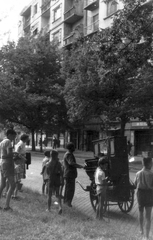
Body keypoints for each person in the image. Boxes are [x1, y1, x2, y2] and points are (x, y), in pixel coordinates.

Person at [134, 157, 153, 240]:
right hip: (149, 194)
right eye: (151, 163)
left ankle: (141, 229)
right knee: (148, 216)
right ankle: (147, 236)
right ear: (149, 164)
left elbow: (135, 183)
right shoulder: (151, 174)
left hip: (140, 194)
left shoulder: (138, 173)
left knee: (140, 212)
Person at [63, 142, 84, 207]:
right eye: (73, 147)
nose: (74, 148)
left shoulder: (68, 154)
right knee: (70, 189)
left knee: (68, 189)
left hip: (68, 174)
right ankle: (68, 203)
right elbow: (71, 163)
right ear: (71, 148)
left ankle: (66, 202)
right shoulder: (69, 154)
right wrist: (81, 166)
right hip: (70, 174)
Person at [0, 129, 17, 210]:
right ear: (9, 134)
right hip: (8, 164)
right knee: (12, 185)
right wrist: (15, 155)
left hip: (2, 163)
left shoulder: (2, 141)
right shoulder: (9, 142)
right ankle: (6, 206)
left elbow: (3, 154)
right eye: (13, 136)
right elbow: (9, 154)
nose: (14, 138)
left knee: (2, 185)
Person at [46, 150, 63, 214]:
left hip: (51, 179)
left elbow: (47, 173)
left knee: (49, 195)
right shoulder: (59, 163)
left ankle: (48, 208)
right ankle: (60, 207)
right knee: (58, 194)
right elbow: (61, 172)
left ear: (50, 155)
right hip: (57, 179)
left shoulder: (48, 163)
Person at [13, 134, 29, 198]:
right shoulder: (21, 143)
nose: (28, 139)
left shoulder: (23, 143)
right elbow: (17, 152)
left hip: (21, 161)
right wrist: (23, 157)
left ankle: (17, 190)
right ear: (25, 138)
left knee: (19, 176)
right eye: (27, 138)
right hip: (19, 162)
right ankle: (14, 193)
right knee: (17, 176)